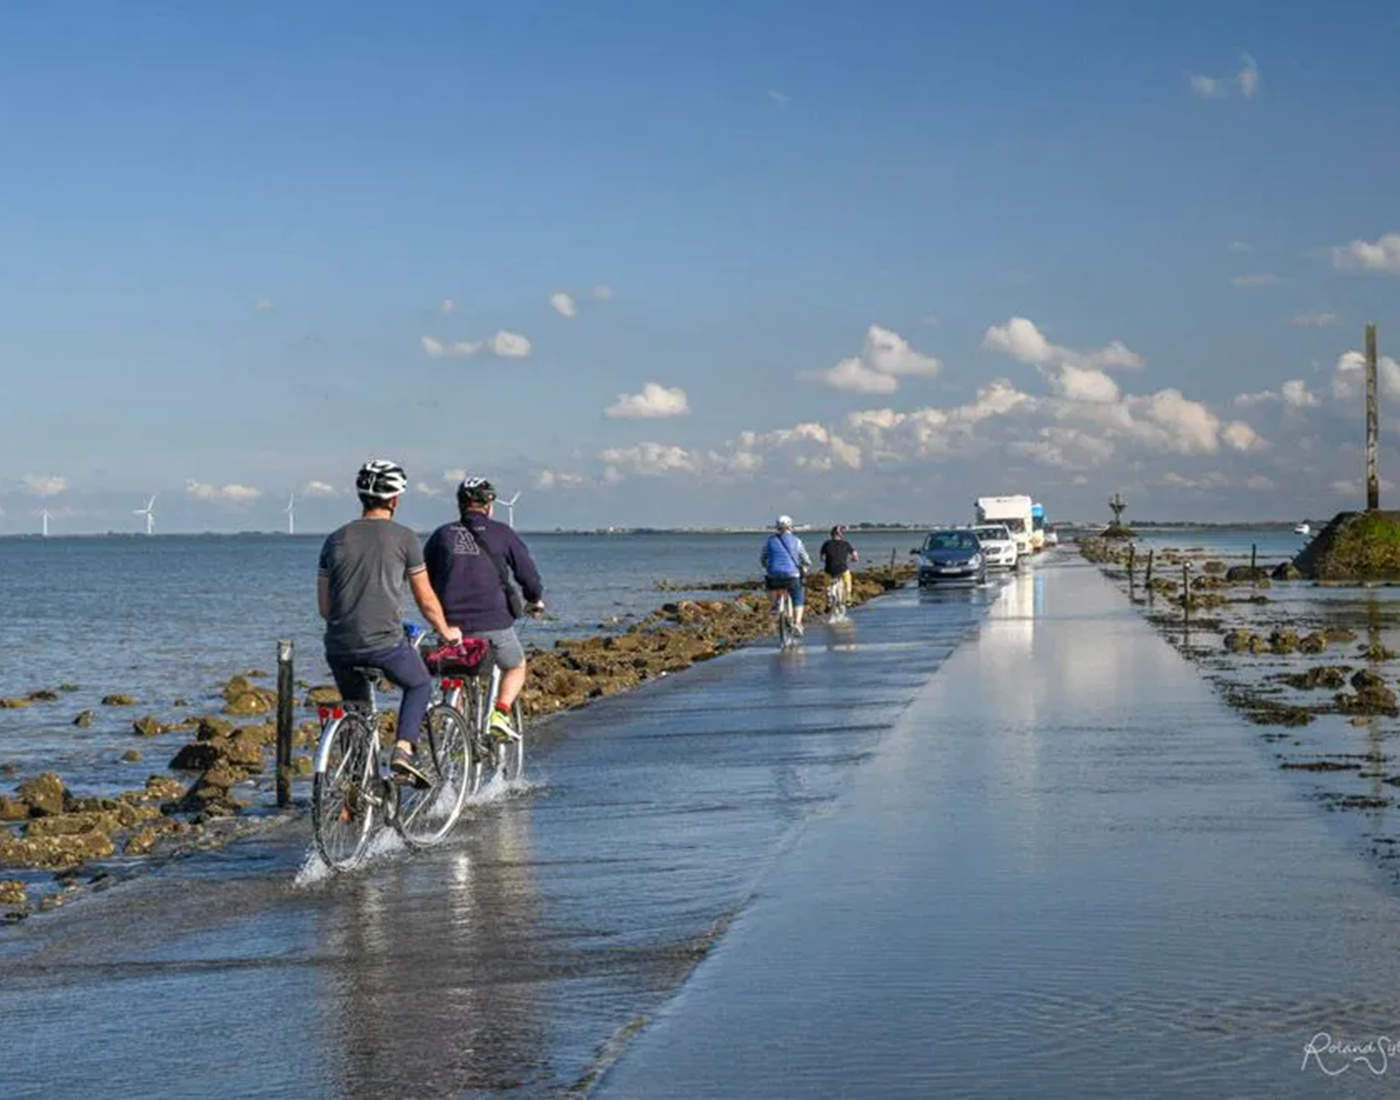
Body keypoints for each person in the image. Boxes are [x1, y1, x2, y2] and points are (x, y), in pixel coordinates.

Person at [317, 459, 462, 785]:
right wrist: (446, 631)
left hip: (339, 646)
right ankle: (403, 750)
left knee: (356, 711)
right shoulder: (405, 538)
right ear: (394, 499)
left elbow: (325, 608)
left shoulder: (334, 539)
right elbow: (426, 600)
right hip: (383, 644)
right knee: (419, 683)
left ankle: (356, 791)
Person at [423, 476, 544, 741]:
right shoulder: (503, 533)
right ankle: (500, 713)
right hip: (494, 624)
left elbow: (425, 579)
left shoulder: (441, 535)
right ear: (489, 505)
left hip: (450, 626)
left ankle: (453, 737)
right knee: (516, 666)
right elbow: (528, 576)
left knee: (455, 674)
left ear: (459, 504)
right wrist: (534, 599)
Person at [761, 515, 811, 635]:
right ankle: (797, 623)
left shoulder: (769, 541)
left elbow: (763, 557)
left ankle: (775, 605)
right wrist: (806, 566)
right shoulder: (797, 541)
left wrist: (766, 566)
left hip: (774, 574)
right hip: (792, 575)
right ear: (790, 526)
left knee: (771, 586)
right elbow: (805, 559)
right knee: (798, 598)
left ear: (777, 527)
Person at [819, 525, 859, 605]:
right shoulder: (846, 544)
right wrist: (855, 559)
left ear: (831, 534)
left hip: (830, 569)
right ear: (841, 534)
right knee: (848, 580)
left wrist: (823, 559)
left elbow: (822, 557)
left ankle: (828, 595)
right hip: (842, 569)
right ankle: (848, 597)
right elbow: (854, 554)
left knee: (827, 582)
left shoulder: (826, 544)